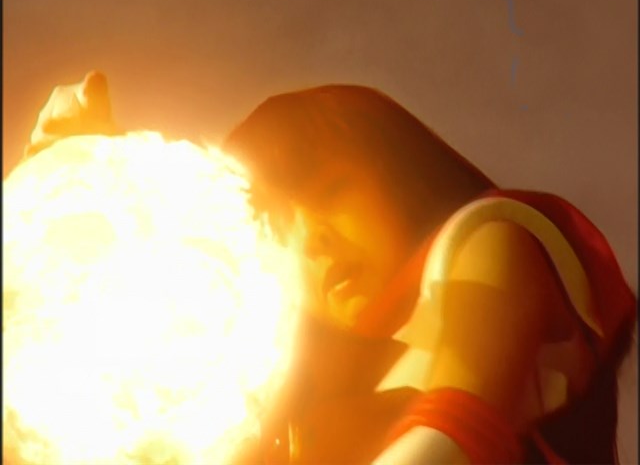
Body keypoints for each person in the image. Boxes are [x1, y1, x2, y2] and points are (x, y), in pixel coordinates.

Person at [22, 72, 637, 464]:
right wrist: (79, 200)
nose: (311, 239)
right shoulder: (308, 391)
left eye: (330, 190)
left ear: (400, 172)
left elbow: (457, 427)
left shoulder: (491, 238)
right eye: (278, 225)